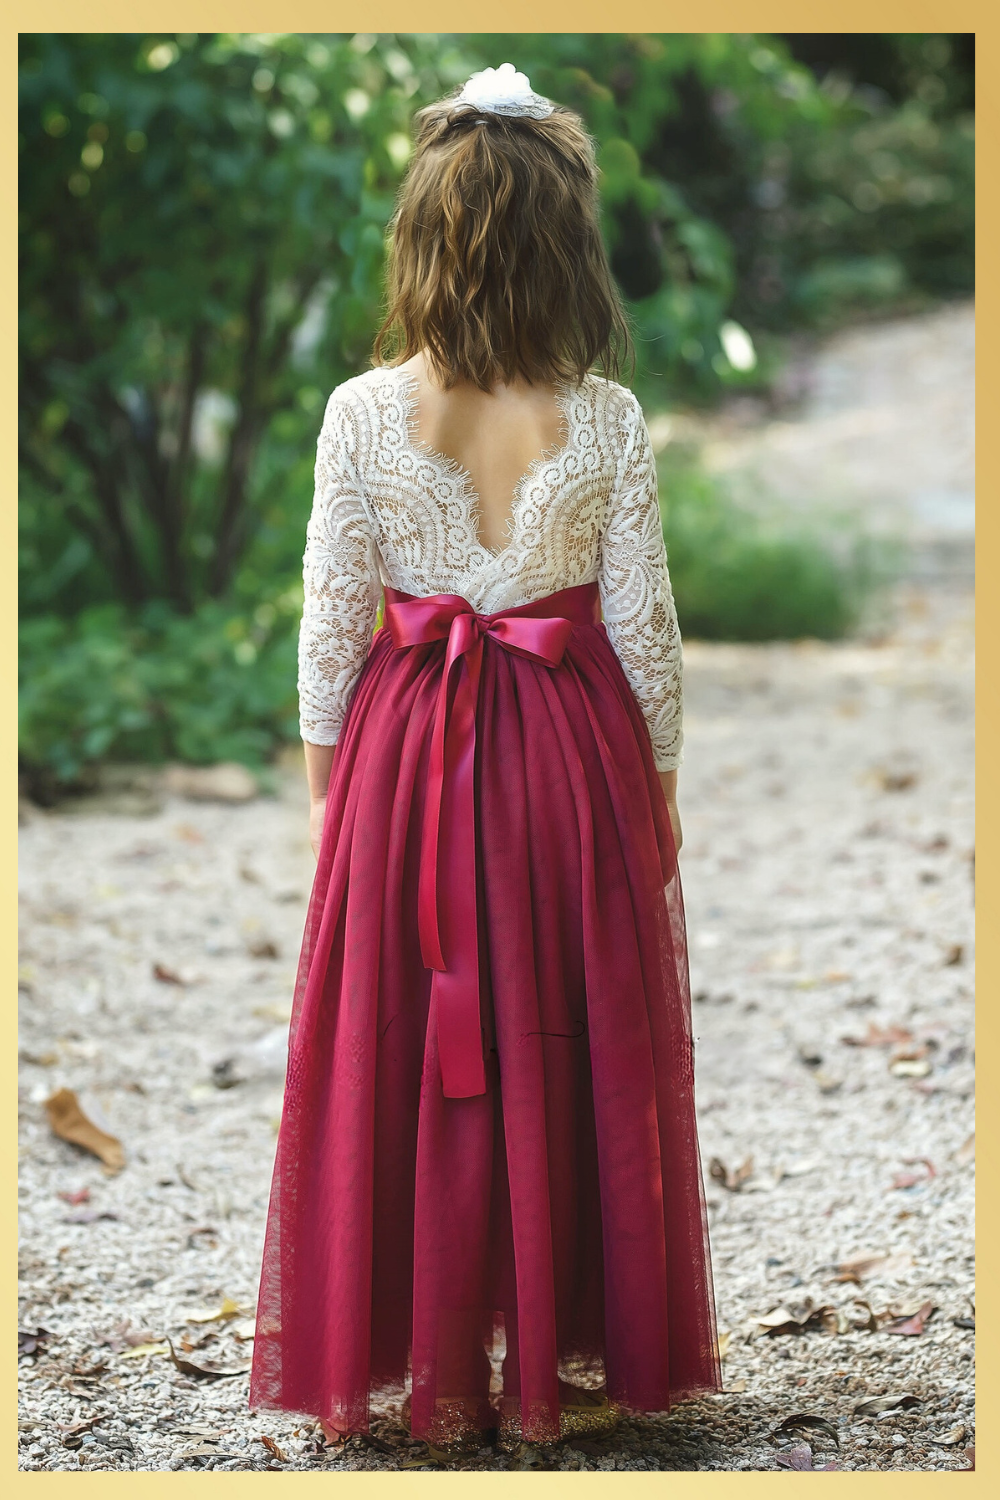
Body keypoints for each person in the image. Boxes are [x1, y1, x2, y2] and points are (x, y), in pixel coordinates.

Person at [249, 62, 721, 1458]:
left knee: (409, 1034)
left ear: (423, 242)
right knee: (561, 1034)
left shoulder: (359, 411)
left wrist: (337, 806)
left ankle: (429, 1358)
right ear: (569, 249)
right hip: (567, 757)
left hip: (409, 756)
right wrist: (660, 797)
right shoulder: (610, 421)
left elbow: (331, 630)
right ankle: (552, 1354)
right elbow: (646, 634)